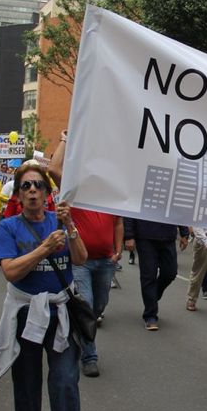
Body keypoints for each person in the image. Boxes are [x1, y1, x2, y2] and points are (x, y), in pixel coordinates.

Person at [0, 162, 87, 411]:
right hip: (25, 314)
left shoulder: (60, 221)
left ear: (47, 193)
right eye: (26, 186)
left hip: (61, 315)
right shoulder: (8, 227)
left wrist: (70, 227)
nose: (33, 191)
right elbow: (10, 272)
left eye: (38, 185)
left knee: (66, 383)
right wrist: (44, 249)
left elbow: (81, 258)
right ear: (18, 194)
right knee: (27, 384)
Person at [49, 131, 124, 378]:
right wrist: (65, 139)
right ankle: (89, 355)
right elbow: (53, 169)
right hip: (80, 261)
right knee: (88, 306)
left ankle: (79, 332)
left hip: (106, 260)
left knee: (99, 306)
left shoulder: (112, 192)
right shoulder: (75, 189)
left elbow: (117, 223)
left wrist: (118, 249)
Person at [124, 218, 189, 330]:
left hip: (168, 236)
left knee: (170, 272)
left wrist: (184, 232)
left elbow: (178, 209)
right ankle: (150, 315)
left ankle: (152, 297)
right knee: (148, 275)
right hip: (145, 236)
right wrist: (129, 235)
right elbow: (131, 208)